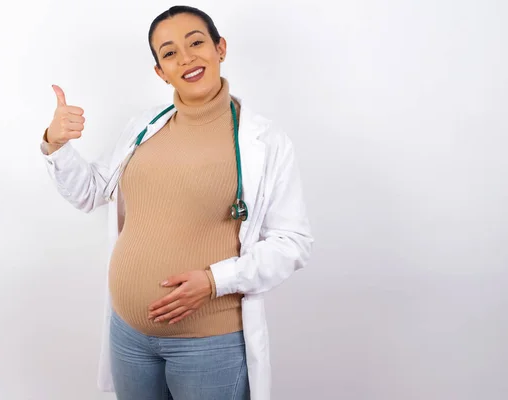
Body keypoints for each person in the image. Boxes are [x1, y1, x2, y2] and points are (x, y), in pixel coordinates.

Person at [40, 5, 313, 400]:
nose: (186, 58)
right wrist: (57, 144)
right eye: (169, 53)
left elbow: (293, 242)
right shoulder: (144, 126)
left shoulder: (265, 142)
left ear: (220, 48)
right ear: (160, 71)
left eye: (196, 42)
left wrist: (215, 281)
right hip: (128, 336)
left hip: (209, 343)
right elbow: (91, 192)